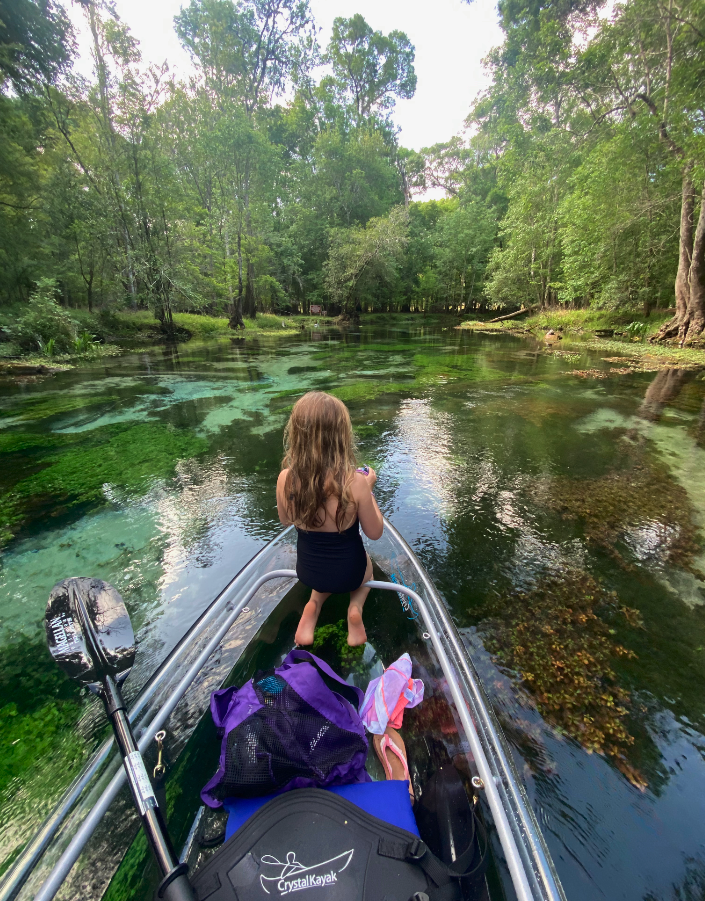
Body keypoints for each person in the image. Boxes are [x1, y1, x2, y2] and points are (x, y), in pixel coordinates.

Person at [276, 391, 384, 647]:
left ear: (296, 435)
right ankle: (355, 608)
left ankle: (313, 605)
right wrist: (368, 488)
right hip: (350, 573)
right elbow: (375, 532)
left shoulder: (285, 479)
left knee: (321, 580)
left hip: (308, 572)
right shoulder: (354, 483)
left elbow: (285, 520)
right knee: (367, 566)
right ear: (342, 437)